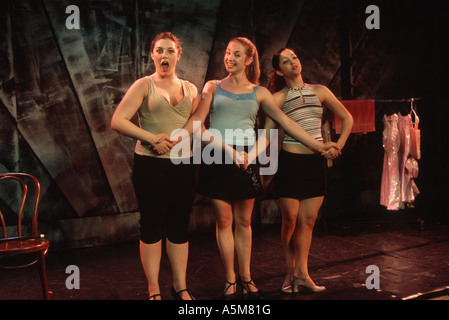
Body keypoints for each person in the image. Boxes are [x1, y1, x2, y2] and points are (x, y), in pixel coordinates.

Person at [178, 37, 339, 299]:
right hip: (218, 156)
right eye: (228, 53)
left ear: (249, 60)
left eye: (237, 55)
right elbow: (197, 123)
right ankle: (230, 280)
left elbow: (285, 124)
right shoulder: (213, 86)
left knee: (244, 222)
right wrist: (171, 139)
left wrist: (319, 146)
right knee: (224, 221)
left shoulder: (260, 92)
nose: (229, 58)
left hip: (246, 158)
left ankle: (247, 278)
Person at [110, 32, 199, 300]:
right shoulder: (143, 85)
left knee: (179, 226)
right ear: (152, 55)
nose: (164, 55)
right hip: (150, 166)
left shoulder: (191, 89)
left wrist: (177, 139)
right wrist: (151, 139)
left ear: (178, 55)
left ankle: (180, 287)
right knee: (151, 225)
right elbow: (118, 120)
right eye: (159, 50)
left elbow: (196, 123)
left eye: (170, 51)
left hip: (184, 165)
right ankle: (154, 290)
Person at [265, 47, 353, 293]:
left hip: (315, 163)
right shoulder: (278, 98)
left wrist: (339, 145)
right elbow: (268, 133)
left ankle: (302, 274)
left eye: (293, 56)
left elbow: (347, 118)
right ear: (279, 71)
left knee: (308, 220)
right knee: (290, 220)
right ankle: (289, 271)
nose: (292, 61)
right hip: (291, 163)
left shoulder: (320, 91)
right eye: (285, 60)